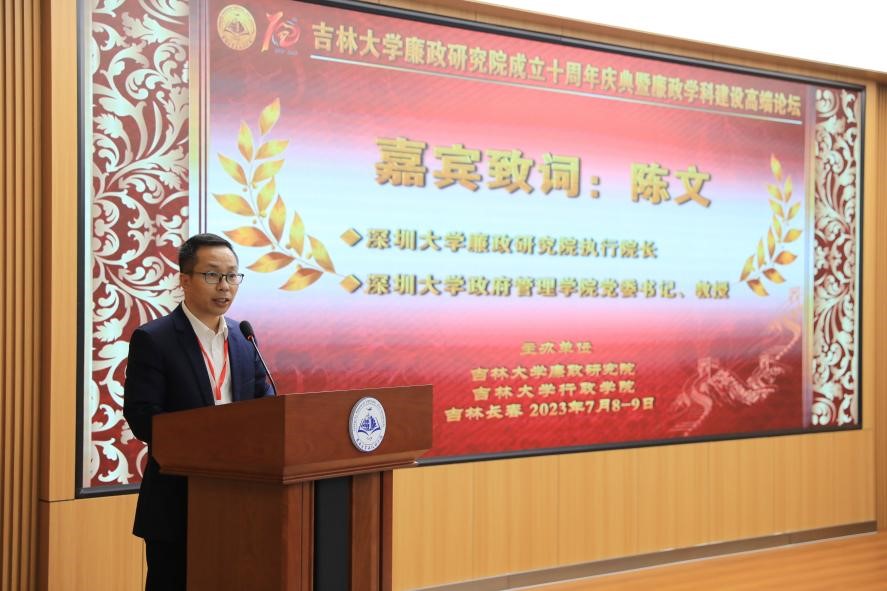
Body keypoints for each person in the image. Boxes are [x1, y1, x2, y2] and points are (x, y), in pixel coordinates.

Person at [123, 233, 273, 591]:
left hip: (240, 499)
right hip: (177, 501)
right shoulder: (154, 339)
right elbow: (143, 417)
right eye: (212, 275)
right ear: (185, 280)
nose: (224, 286)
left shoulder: (243, 338)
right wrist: (210, 443)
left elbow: (266, 406)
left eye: (232, 275)